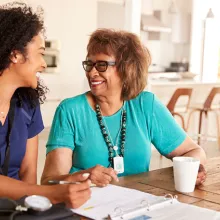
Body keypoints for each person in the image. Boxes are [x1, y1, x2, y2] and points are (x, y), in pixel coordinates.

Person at [42, 29, 207, 188]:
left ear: (125, 68)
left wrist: (194, 169)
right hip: (86, 207)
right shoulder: (70, 111)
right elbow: (50, 181)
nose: (92, 73)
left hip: (138, 206)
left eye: (101, 65)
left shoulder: (146, 105)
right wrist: (83, 177)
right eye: (89, 64)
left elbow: (193, 151)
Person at [0, 2, 91, 208]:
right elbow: (37, 189)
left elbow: (28, 175)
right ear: (15, 54)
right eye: (40, 53)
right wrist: (50, 193)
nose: (44, 63)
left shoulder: (28, 104)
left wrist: (62, 186)